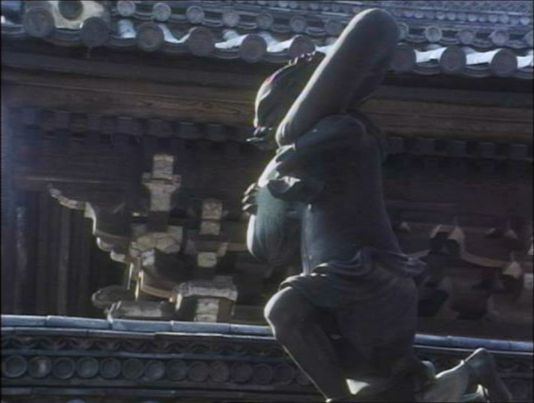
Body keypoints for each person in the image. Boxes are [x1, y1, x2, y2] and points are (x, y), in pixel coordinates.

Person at [243, 8, 512, 403]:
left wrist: (284, 164)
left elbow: (315, 150)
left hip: (363, 272)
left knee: (283, 312)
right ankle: (473, 372)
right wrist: (263, 205)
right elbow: (271, 249)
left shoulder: (343, 130)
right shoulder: (311, 150)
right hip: (348, 276)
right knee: (374, 379)